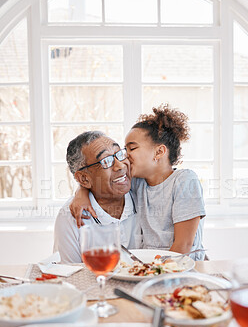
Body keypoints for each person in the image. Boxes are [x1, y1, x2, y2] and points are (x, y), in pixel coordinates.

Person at [70, 104, 206, 260]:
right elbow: (104, 182)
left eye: (132, 148)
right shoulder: (138, 183)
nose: (125, 156)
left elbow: (183, 246)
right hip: (151, 266)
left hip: (179, 267)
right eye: (124, 150)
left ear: (159, 152)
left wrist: (156, 273)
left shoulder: (185, 180)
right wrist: (81, 192)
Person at [53, 131, 140, 263]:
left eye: (120, 154)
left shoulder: (143, 191)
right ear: (84, 178)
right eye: (106, 161)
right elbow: (69, 275)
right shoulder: (70, 217)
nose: (120, 165)